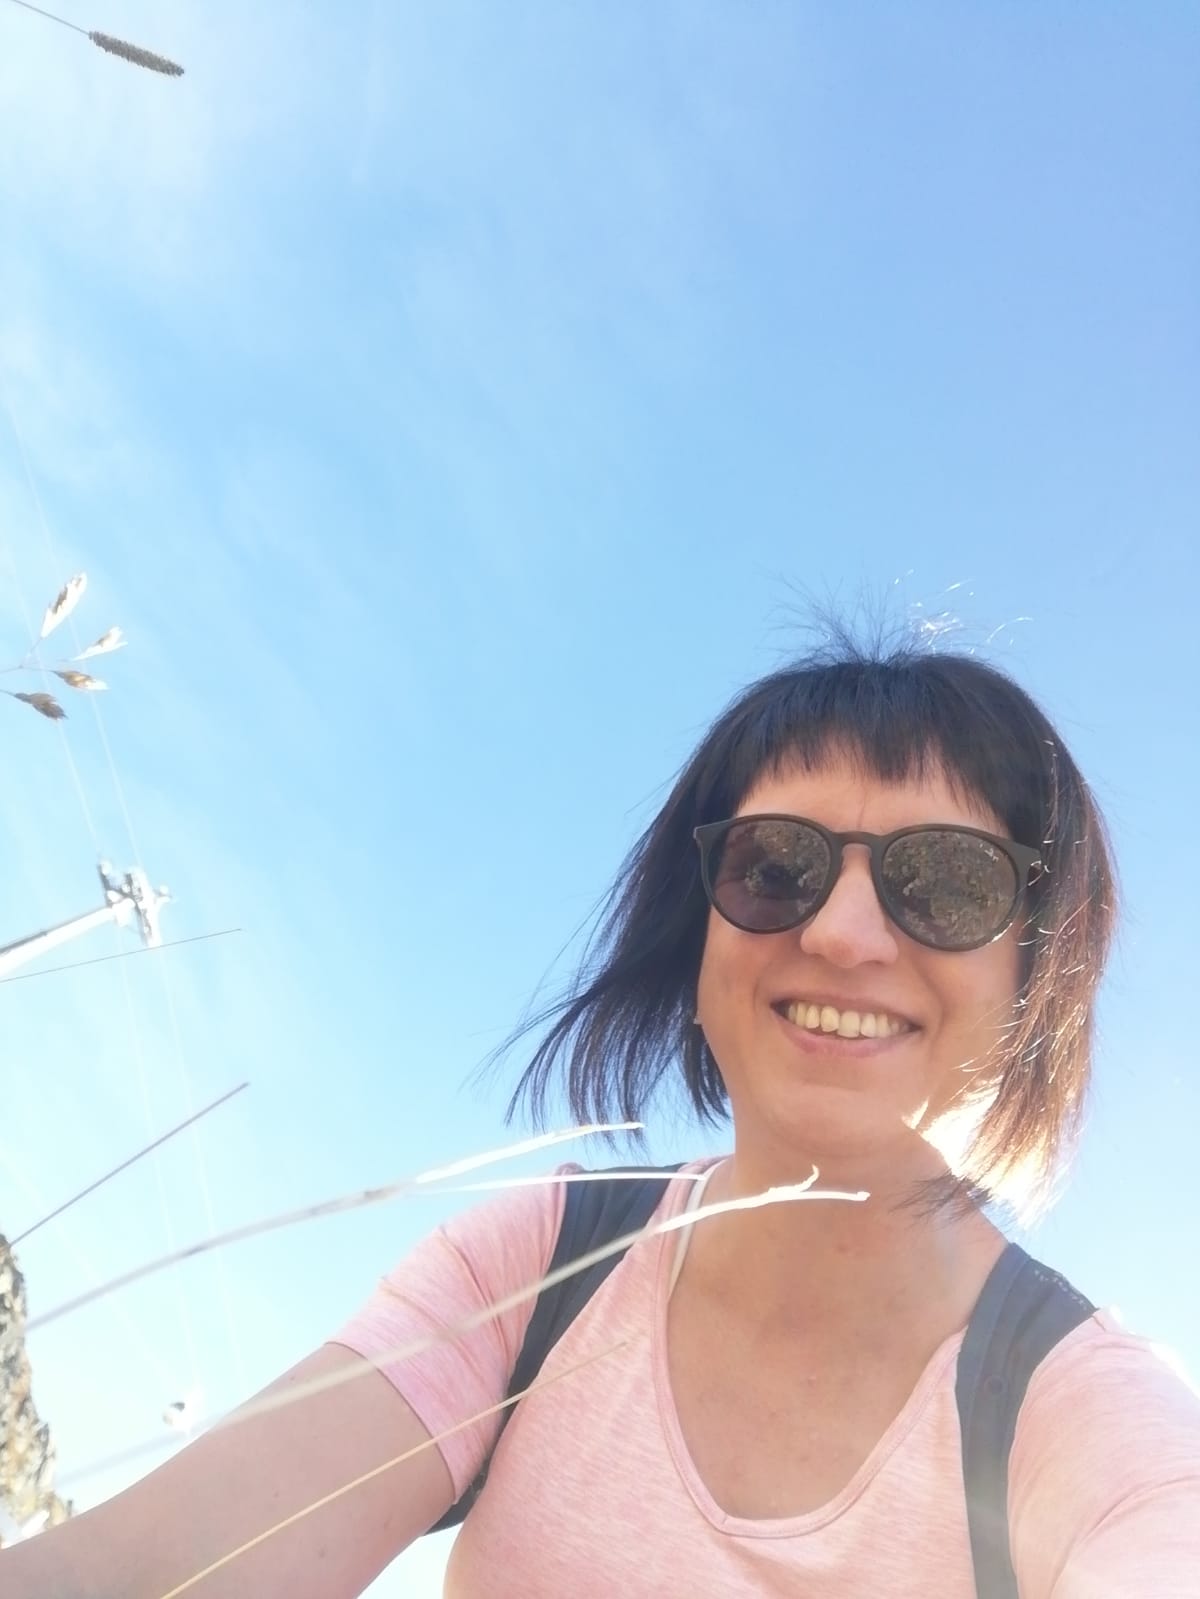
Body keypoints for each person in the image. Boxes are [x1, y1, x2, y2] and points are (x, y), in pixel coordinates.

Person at [5, 632, 1199, 1597]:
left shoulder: (1094, 1425)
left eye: (945, 882)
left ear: (1040, 969)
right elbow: (150, 1570)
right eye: (775, 868)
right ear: (698, 936)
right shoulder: (544, 1264)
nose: (842, 934)